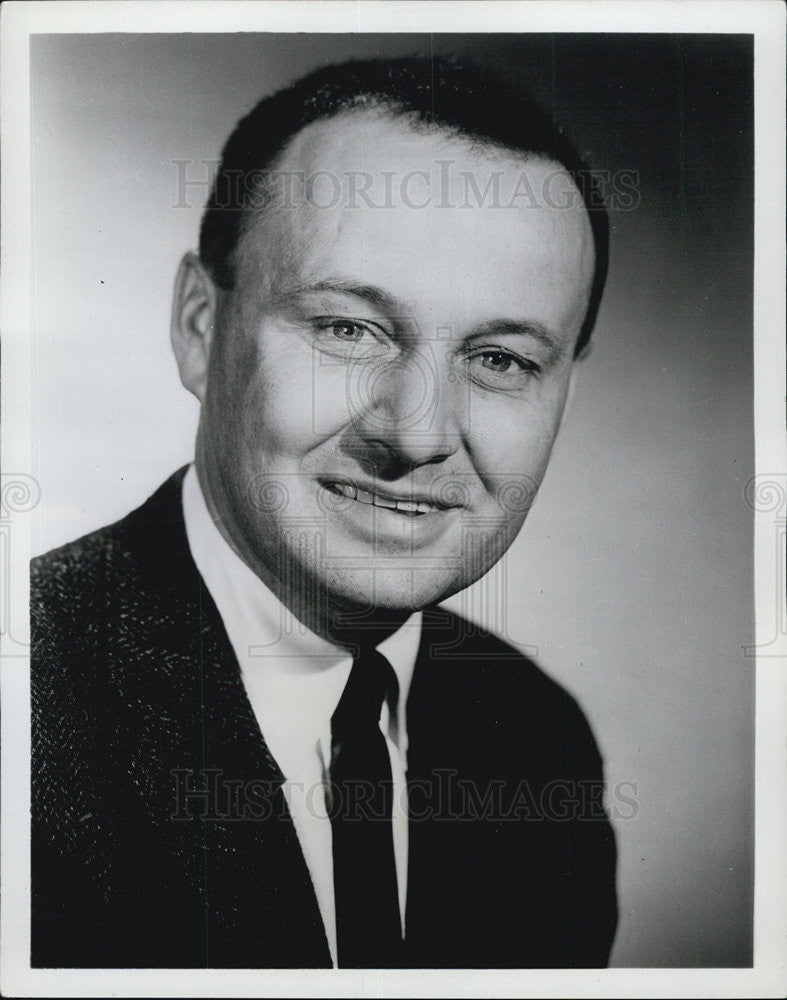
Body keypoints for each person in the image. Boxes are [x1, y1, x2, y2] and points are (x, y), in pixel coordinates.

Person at [31, 56, 618, 969]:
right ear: (198, 324)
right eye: (349, 329)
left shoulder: (535, 741)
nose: (416, 435)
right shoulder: (27, 695)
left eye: (501, 359)